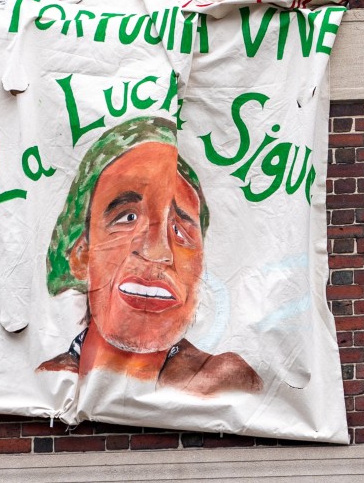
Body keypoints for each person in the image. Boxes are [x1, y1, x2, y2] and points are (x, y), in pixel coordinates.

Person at [38, 117, 262, 397]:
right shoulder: (40, 384)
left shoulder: (225, 385)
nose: (159, 252)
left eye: (180, 231)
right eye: (127, 217)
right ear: (81, 255)